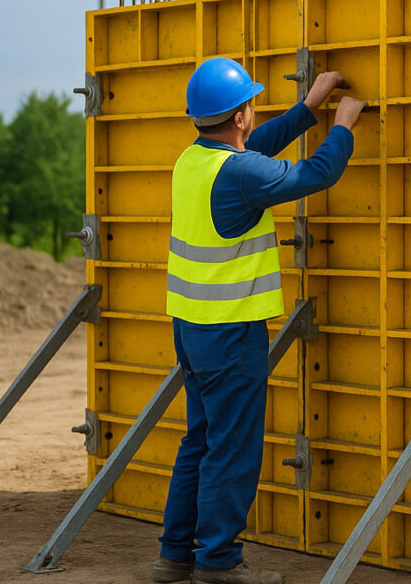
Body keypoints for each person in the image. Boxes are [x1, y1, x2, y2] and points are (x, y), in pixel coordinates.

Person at [152, 57, 364, 584]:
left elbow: (255, 150)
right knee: (232, 450)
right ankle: (219, 563)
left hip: (192, 328)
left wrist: (308, 107)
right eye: (251, 106)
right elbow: (316, 173)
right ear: (240, 116)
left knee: (200, 440)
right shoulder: (241, 174)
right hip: (232, 332)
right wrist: (343, 125)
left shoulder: (193, 161)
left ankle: (175, 556)